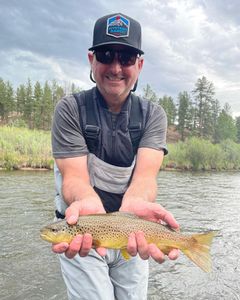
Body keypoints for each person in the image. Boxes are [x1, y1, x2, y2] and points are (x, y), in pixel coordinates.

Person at [51, 12, 180, 300]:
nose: (116, 67)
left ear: (140, 65)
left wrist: (138, 203)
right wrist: (85, 202)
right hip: (82, 231)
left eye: (127, 58)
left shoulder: (153, 115)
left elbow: (146, 179)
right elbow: (73, 179)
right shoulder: (70, 110)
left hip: (131, 232)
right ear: (91, 60)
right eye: (107, 54)